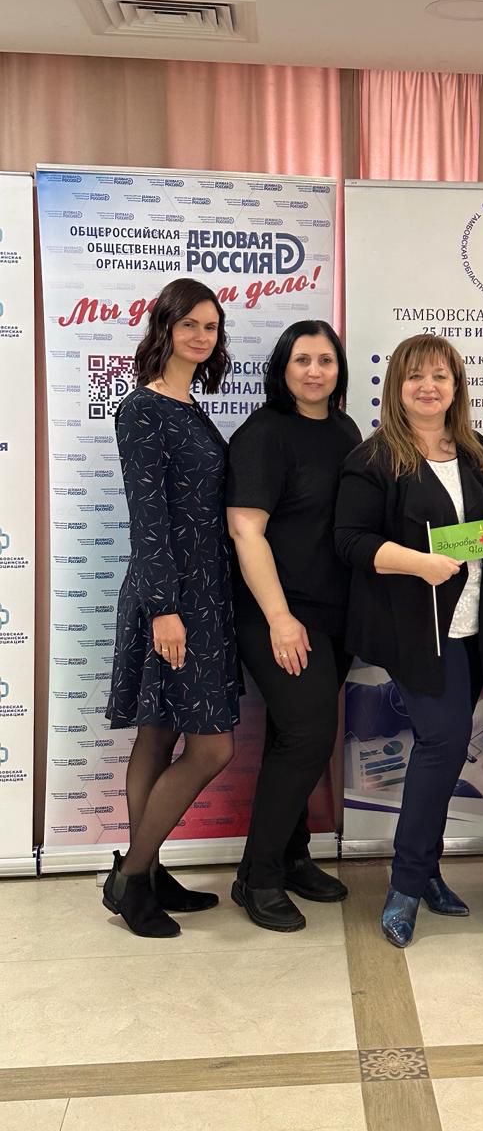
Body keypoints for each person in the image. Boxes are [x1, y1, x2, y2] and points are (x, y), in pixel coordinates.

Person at [335, 335, 483, 948]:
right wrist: (419, 564)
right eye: (416, 376)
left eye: (440, 375)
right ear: (397, 386)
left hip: (471, 629)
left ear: (456, 386)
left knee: (445, 749)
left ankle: (429, 870)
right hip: (413, 632)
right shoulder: (375, 458)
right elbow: (350, 541)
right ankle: (407, 886)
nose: (428, 387)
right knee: (442, 745)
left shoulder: (478, 453)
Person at [103, 278, 239, 938]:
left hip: (207, 595)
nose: (201, 335)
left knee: (159, 733)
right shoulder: (143, 409)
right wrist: (163, 608)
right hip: (172, 598)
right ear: (164, 327)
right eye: (190, 323)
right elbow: (148, 517)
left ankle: (147, 873)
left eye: (211, 326)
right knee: (210, 747)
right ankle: (132, 877)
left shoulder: (190, 406)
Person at [227, 321, 361, 932]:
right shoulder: (264, 434)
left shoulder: (345, 430)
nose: (314, 371)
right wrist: (280, 619)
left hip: (334, 615)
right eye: (302, 359)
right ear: (282, 368)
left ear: (339, 370)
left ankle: (292, 855)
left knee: (294, 735)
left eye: (325, 360)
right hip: (275, 612)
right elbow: (245, 531)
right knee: (307, 735)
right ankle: (257, 877)